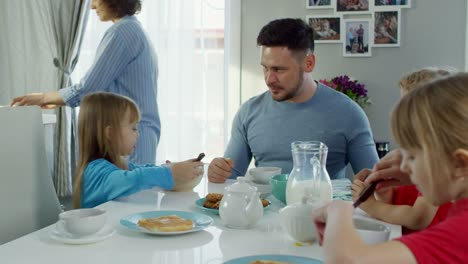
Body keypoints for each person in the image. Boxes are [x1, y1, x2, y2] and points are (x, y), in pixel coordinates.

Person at [314, 73, 468, 263]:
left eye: (411, 156)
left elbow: (349, 260)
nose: (403, 165)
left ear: (460, 163)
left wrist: (338, 210)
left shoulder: (460, 232)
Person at [207, 18, 378, 183]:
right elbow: (230, 179)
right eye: (265, 68)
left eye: (279, 69)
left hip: (322, 210)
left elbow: (375, 184)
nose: (269, 79)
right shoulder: (248, 112)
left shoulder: (349, 114)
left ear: (309, 63)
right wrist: (218, 172)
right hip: (262, 210)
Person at [9, 0, 160, 164]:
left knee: (128, 188)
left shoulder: (122, 32)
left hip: (131, 135)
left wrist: (44, 98)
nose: (92, 6)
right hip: (139, 134)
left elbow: (89, 89)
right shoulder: (135, 31)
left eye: (95, 0)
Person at [352, 67, 455, 235]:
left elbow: (418, 218)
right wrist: (383, 189)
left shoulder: (435, 158)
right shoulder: (411, 152)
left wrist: (371, 206)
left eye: (408, 108)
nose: (402, 115)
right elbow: (400, 201)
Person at [72, 92, 203, 208]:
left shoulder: (116, 165)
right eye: (133, 128)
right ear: (110, 133)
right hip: (96, 236)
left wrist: (172, 169)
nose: (137, 134)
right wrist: (169, 172)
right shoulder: (94, 171)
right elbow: (134, 178)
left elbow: (140, 169)